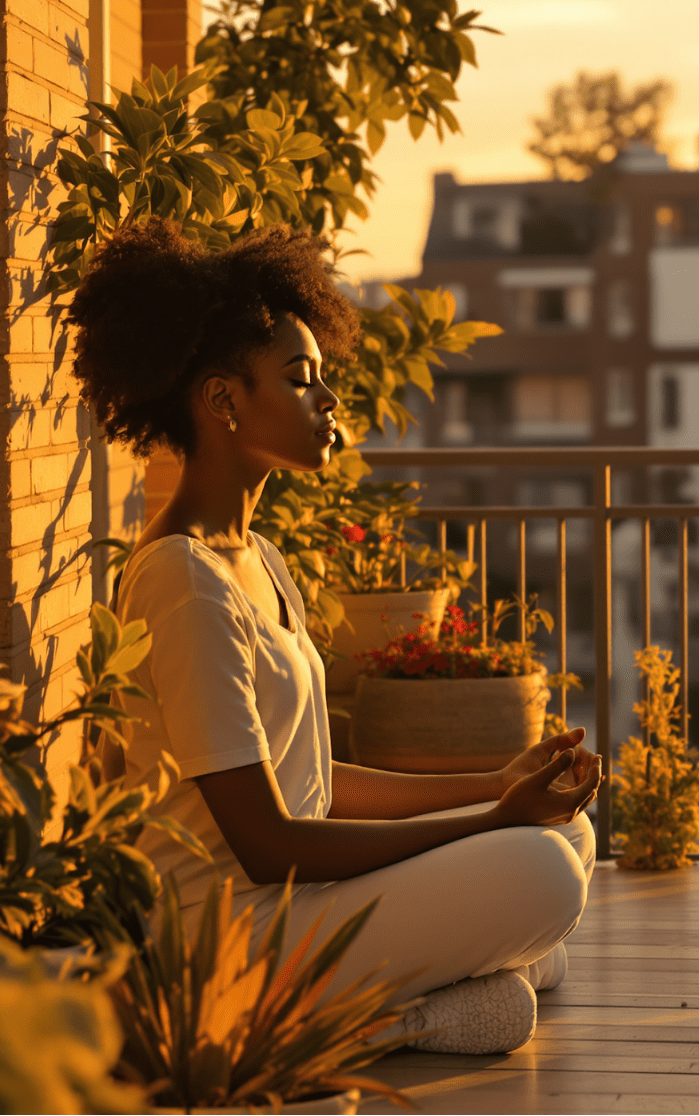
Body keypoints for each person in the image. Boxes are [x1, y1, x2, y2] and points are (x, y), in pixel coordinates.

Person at [67, 217, 602, 1055]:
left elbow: (311, 783)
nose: (328, 398)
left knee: (567, 838)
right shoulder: (183, 579)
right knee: (542, 874)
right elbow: (267, 842)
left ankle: (443, 985)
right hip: (231, 934)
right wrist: (492, 821)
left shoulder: (257, 557)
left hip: (303, 901)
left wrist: (493, 787)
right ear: (223, 401)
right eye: (300, 379)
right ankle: (369, 1023)